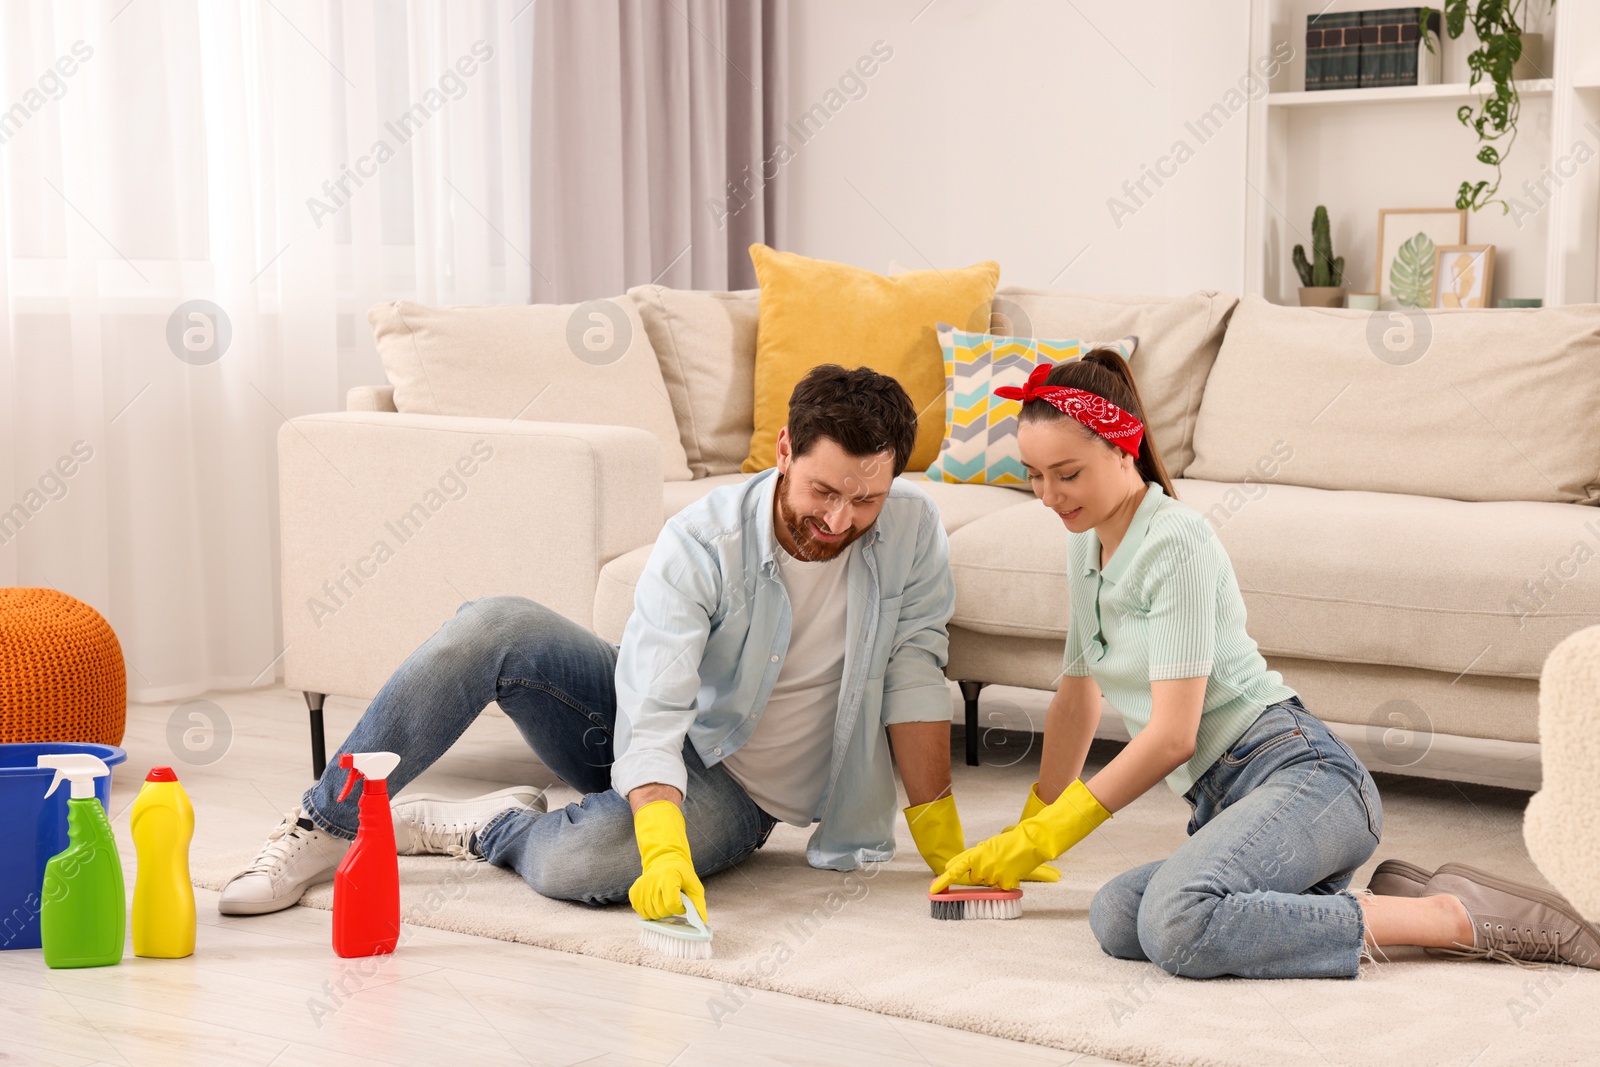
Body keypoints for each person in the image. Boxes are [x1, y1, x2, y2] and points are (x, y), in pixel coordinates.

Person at [222, 364, 1049, 925]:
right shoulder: (703, 540)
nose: (838, 520)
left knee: (576, 866)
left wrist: (942, 839)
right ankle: (324, 824)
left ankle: (486, 827)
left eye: (865, 498)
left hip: (737, 787)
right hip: (643, 722)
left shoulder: (910, 534)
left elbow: (913, 673)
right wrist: (657, 838)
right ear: (786, 452)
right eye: (823, 490)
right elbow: (651, 694)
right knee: (493, 625)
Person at [931, 351, 1600, 977]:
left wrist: (1049, 835)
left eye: (1067, 473)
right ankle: (1388, 894)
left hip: (1306, 776)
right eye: (1034, 475)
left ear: (1122, 446)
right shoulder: (1086, 548)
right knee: (1116, 915)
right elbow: (1077, 695)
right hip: (1226, 804)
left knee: (1178, 925)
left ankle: (1445, 916)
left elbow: (1173, 735)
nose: (1048, 496)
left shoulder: (1175, 541)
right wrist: (1030, 823)